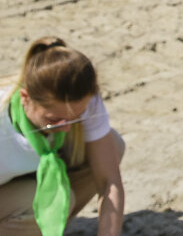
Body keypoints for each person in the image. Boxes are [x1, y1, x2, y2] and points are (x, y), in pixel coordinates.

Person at [0, 37, 125, 236]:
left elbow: (108, 181)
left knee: (113, 144)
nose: (66, 128)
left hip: (26, 174)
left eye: (75, 118)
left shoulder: (81, 98)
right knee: (32, 201)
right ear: (25, 98)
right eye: (54, 119)